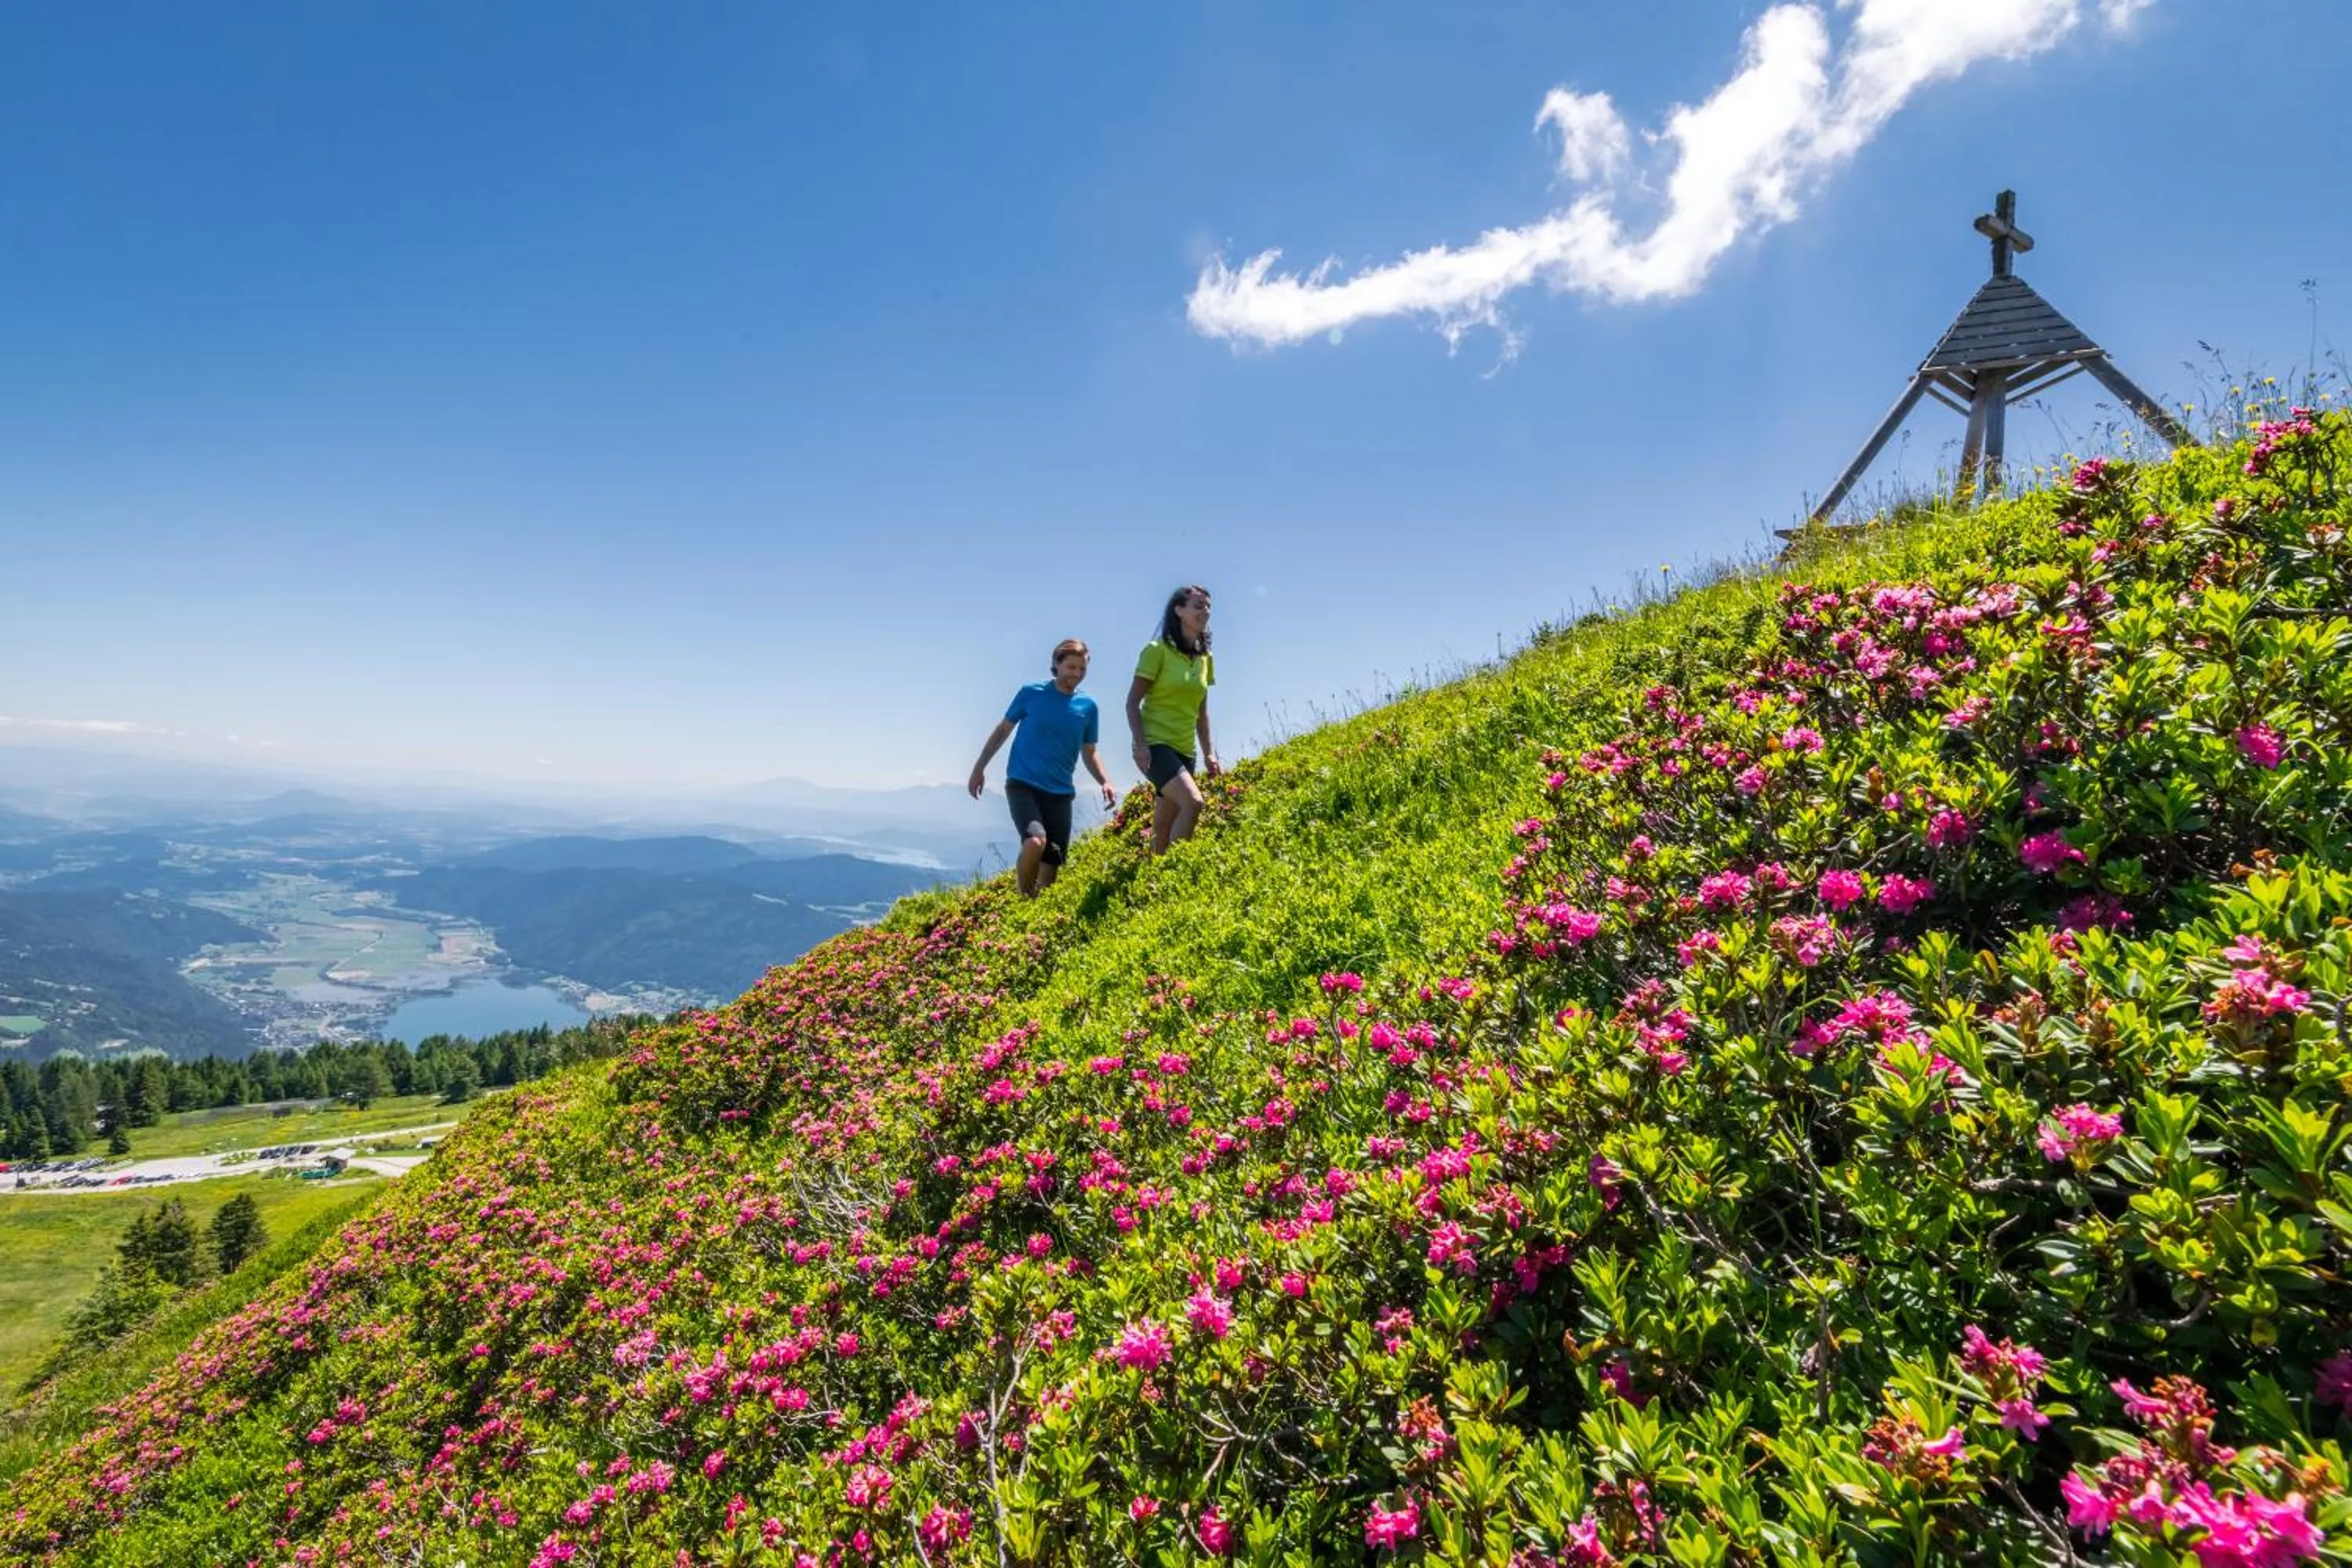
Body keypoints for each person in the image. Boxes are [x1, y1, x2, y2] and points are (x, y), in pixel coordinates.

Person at [968, 638, 1116, 896]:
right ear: (1056, 665)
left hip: (1060, 793)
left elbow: (1089, 751)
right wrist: (979, 768)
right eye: (1071, 667)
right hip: (1023, 784)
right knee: (1035, 842)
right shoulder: (1031, 693)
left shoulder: (1088, 707)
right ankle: (1023, 901)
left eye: (1082, 669)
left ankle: (1036, 915)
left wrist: (1105, 780)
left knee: (1051, 867)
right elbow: (1003, 730)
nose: (1077, 674)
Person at [1127, 585, 1218, 855]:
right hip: (1156, 745)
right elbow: (1132, 702)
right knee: (1193, 803)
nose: (1206, 612)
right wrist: (1141, 745)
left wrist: (1209, 754)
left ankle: (1154, 884)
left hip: (1184, 748)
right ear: (1178, 611)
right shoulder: (1157, 651)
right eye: (1198, 606)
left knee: (1164, 826)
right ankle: (1174, 875)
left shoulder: (1205, 659)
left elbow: (1202, 712)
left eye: (1208, 606)